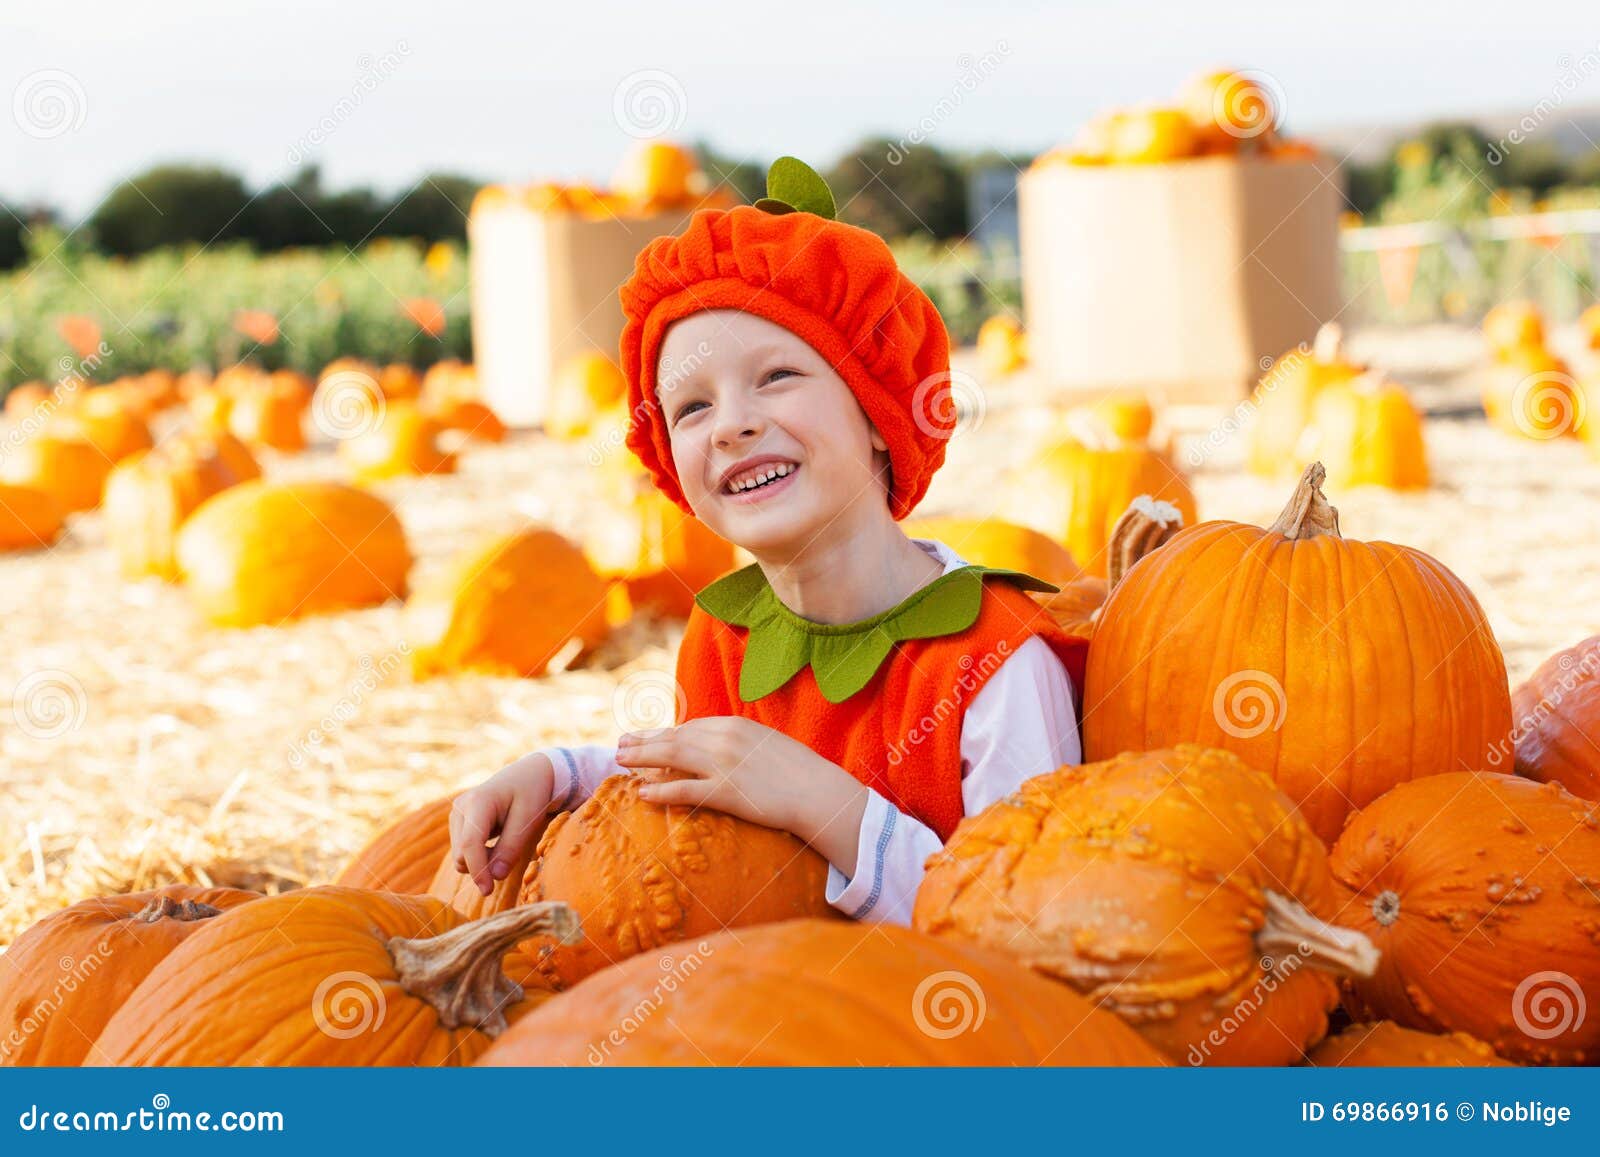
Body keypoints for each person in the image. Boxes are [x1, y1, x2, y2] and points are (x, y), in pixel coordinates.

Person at [448, 161, 1087, 926]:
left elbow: (1025, 918)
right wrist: (555, 776)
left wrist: (822, 804)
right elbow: (693, 784)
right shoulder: (725, 636)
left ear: (881, 417)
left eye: (779, 374)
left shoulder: (996, 663)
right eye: (690, 406)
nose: (731, 424)